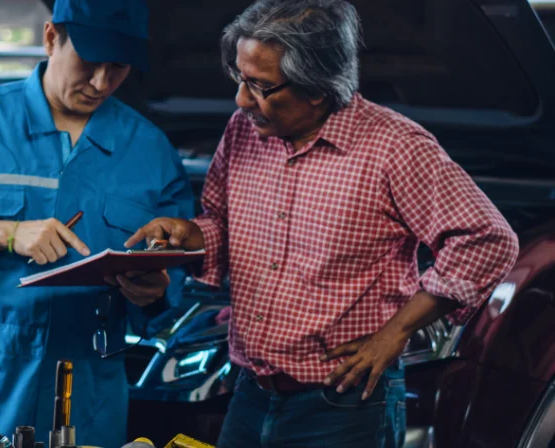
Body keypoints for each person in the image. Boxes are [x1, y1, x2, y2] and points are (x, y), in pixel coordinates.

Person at [125, 0, 519, 446]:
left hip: (343, 408)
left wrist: (396, 334)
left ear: (317, 88)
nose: (240, 100)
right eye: (239, 78)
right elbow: (220, 223)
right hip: (250, 395)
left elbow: (487, 239)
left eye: (260, 86)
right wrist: (187, 235)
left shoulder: (394, 147)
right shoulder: (243, 130)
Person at [0, 0, 193, 446]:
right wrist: (1, 233)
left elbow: (174, 281)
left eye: (119, 67)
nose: (102, 83)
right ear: (51, 37)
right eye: (90, 61)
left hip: (89, 387)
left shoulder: (151, 151)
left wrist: (155, 292)